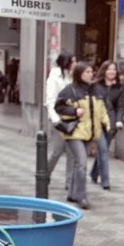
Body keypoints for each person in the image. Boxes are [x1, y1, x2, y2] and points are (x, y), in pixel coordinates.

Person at [54, 62, 110, 210]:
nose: (90, 74)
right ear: (79, 74)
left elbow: (102, 109)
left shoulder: (96, 90)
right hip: (75, 132)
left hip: (90, 132)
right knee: (81, 163)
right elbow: (58, 106)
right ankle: (81, 196)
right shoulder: (70, 90)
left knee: (79, 163)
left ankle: (73, 193)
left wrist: (107, 124)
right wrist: (74, 111)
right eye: (87, 72)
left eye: (91, 72)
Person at [91, 60, 124, 190]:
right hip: (98, 123)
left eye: (114, 69)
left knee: (102, 150)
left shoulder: (119, 87)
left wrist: (119, 120)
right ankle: (105, 181)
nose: (112, 72)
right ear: (104, 71)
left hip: (111, 124)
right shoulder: (96, 86)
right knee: (104, 150)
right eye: (109, 69)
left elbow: (121, 106)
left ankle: (94, 174)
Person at [46, 52, 76, 190]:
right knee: (57, 151)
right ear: (66, 63)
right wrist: (57, 122)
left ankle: (69, 182)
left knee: (71, 152)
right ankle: (45, 174)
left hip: (72, 118)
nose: (76, 64)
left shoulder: (73, 77)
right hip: (58, 120)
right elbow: (51, 102)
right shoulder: (54, 79)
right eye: (73, 61)